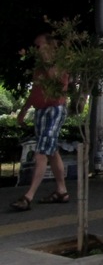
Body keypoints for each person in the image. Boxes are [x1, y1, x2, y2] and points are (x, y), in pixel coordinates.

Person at [10, 34, 71, 211]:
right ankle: (62, 190)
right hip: (41, 110)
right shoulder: (39, 68)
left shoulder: (58, 64)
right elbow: (36, 90)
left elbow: (55, 78)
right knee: (51, 151)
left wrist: (46, 59)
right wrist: (23, 110)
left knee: (41, 153)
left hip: (54, 109)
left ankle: (28, 196)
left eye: (40, 46)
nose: (36, 50)